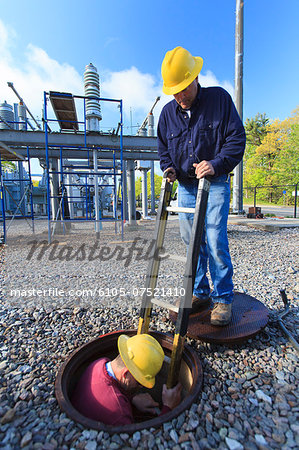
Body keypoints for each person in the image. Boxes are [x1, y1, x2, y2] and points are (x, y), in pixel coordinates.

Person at [157, 46, 246, 326]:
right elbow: (164, 151)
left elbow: (236, 140)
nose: (179, 96)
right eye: (174, 91)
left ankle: (222, 299)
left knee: (214, 240)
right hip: (185, 186)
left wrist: (216, 163)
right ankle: (200, 292)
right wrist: (168, 168)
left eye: (183, 88)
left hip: (215, 182)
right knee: (190, 242)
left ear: (195, 78)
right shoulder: (167, 114)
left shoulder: (219, 99)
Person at [71, 333, 182, 425]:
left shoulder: (99, 363)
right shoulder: (119, 413)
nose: (141, 386)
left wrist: (131, 399)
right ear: (125, 374)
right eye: (139, 382)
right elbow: (141, 441)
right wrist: (168, 408)